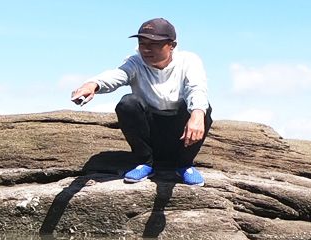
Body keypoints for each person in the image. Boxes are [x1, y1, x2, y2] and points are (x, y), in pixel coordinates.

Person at [69, 18, 212, 186]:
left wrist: (197, 115)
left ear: (171, 45)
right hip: (151, 131)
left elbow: (196, 88)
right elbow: (117, 75)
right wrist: (93, 85)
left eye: (154, 44)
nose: (146, 49)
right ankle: (145, 163)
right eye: (142, 43)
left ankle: (184, 165)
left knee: (202, 108)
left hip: (180, 134)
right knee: (128, 103)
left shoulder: (189, 60)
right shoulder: (135, 62)